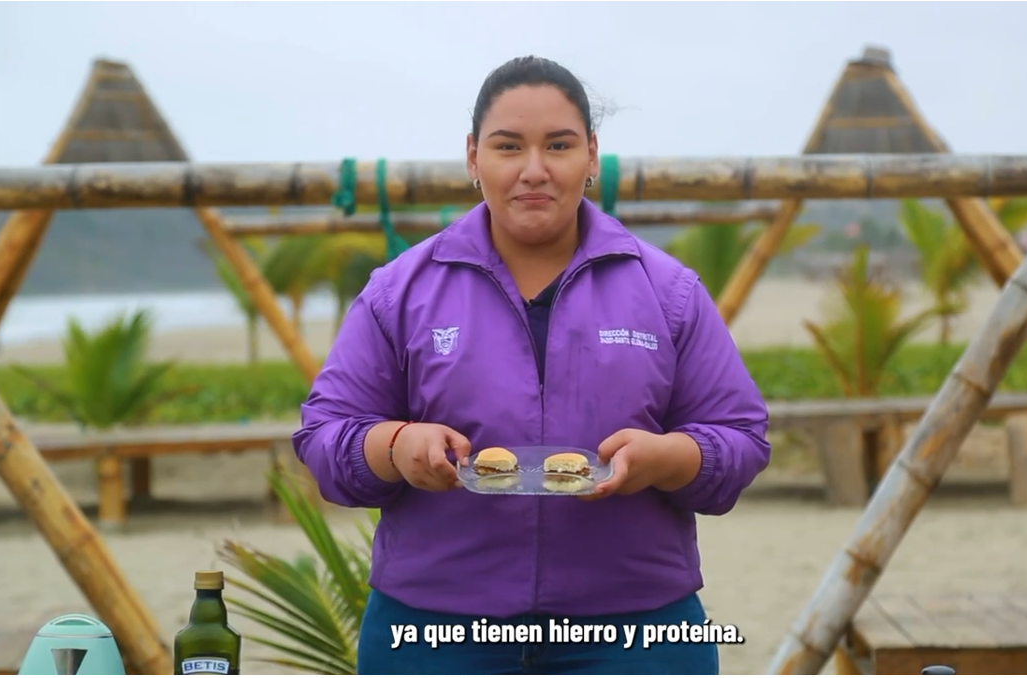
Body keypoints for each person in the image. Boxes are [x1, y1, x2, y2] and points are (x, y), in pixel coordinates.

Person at [293, 55, 771, 676]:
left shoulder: (668, 292)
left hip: (637, 630)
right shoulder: (399, 292)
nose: (534, 169)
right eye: (508, 146)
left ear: (592, 155)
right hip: (432, 630)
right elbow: (324, 435)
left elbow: (740, 437)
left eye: (560, 145)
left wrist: (666, 458)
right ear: (473, 157)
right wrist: (393, 446)